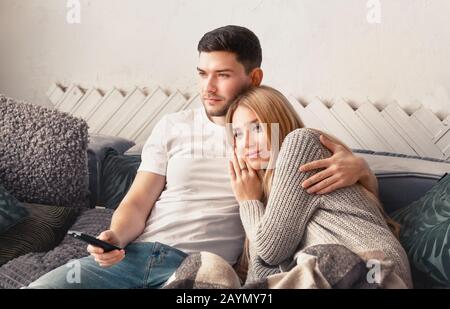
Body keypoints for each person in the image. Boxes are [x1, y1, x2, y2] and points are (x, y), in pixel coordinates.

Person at [28, 25, 379, 289]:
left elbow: (340, 200)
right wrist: (115, 238)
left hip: (206, 269)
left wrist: (362, 168)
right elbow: (137, 201)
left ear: (254, 77)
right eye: (202, 73)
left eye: (222, 75)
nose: (207, 87)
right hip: (137, 255)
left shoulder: (272, 137)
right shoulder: (173, 126)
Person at [225, 85, 412, 288]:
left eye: (257, 128)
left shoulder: (301, 143)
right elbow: (260, 274)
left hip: (371, 271)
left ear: (280, 122)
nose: (246, 143)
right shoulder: (270, 198)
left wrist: (248, 203)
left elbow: (270, 251)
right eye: (237, 134)